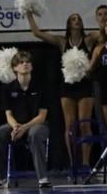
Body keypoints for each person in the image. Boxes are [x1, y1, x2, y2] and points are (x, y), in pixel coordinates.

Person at [25, 10, 96, 173]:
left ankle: (85, 163)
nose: (76, 20)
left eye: (78, 18)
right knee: (70, 125)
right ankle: (73, 163)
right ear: (68, 24)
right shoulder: (62, 41)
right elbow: (37, 33)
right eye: (73, 19)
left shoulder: (89, 39)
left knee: (84, 123)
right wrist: (29, 14)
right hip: (67, 87)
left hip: (85, 86)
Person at [0, 52, 51, 188]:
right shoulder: (7, 89)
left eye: (27, 61)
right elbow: (8, 115)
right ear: (14, 68)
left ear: (32, 66)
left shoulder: (41, 86)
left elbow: (42, 116)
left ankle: (42, 177)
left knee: (35, 134)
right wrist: (16, 126)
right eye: (21, 62)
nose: (25, 64)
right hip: (15, 125)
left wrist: (25, 127)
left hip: (36, 124)